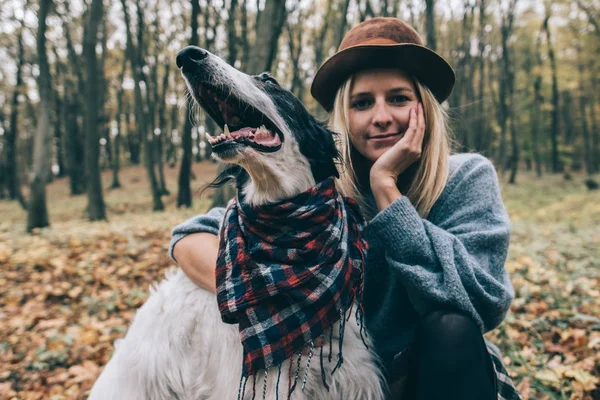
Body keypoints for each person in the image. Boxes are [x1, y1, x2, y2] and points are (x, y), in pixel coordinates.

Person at [170, 17, 521, 400]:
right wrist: (263, 290)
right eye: (362, 103)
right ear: (345, 117)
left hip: (438, 375)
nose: (381, 116)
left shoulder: (466, 177)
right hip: (344, 385)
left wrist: (387, 191)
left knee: (451, 327)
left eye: (399, 98)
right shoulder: (319, 190)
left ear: (426, 107)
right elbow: (192, 238)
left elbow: (481, 300)